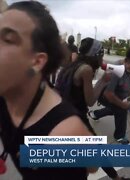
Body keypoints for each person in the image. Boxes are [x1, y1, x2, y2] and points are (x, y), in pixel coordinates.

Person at [0, 1, 96, 179]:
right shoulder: (7, 93)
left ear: (37, 61)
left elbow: (93, 165)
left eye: (8, 40)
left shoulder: (63, 132)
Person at [57, 38, 130, 180]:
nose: (103, 57)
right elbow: (90, 100)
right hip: (75, 119)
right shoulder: (86, 70)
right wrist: (103, 80)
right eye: (102, 54)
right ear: (96, 54)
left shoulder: (72, 65)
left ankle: (116, 178)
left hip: (63, 116)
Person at [88, 47, 130, 145]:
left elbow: (129, 84)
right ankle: (120, 136)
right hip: (104, 93)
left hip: (119, 92)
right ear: (126, 61)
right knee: (121, 110)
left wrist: (129, 97)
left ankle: (95, 114)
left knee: (115, 108)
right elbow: (108, 94)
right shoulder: (115, 70)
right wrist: (122, 104)